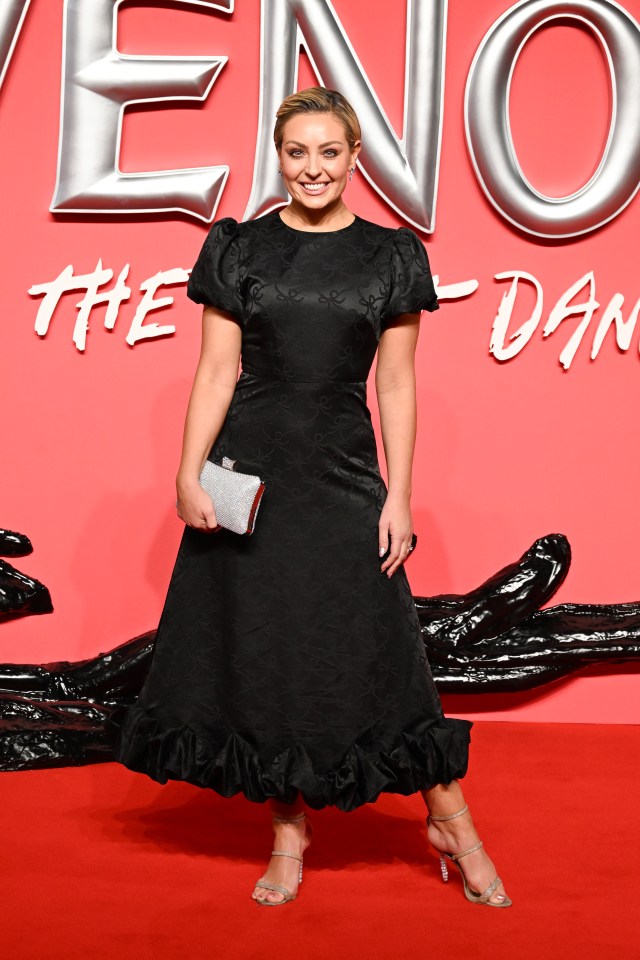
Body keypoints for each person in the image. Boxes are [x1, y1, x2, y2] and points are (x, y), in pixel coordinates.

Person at [106, 87, 511, 909]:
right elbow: (218, 370)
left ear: (354, 159)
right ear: (280, 158)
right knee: (266, 655)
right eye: (298, 152)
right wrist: (188, 473)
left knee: (383, 653)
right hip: (248, 481)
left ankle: (453, 824)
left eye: (330, 152)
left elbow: (394, 384)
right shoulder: (241, 249)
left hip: (342, 481)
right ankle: (288, 833)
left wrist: (400, 496)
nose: (314, 167)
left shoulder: (391, 257)